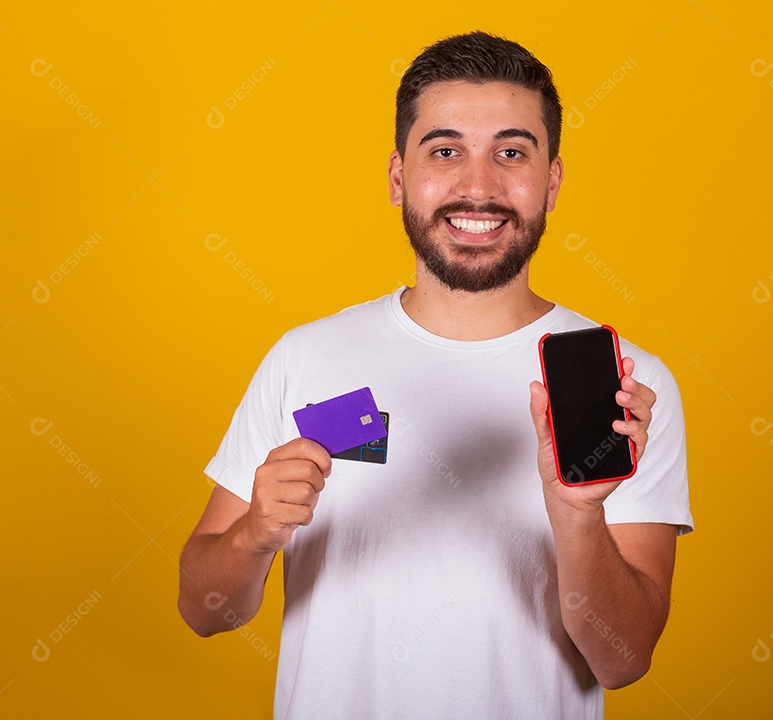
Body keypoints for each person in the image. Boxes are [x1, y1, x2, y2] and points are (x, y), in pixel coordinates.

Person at [178, 31, 693, 719]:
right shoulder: (305, 358)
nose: (477, 186)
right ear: (399, 178)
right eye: (444, 151)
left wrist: (578, 511)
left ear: (552, 181)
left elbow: (623, 659)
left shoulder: (621, 381)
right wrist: (253, 536)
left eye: (511, 153)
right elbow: (203, 610)